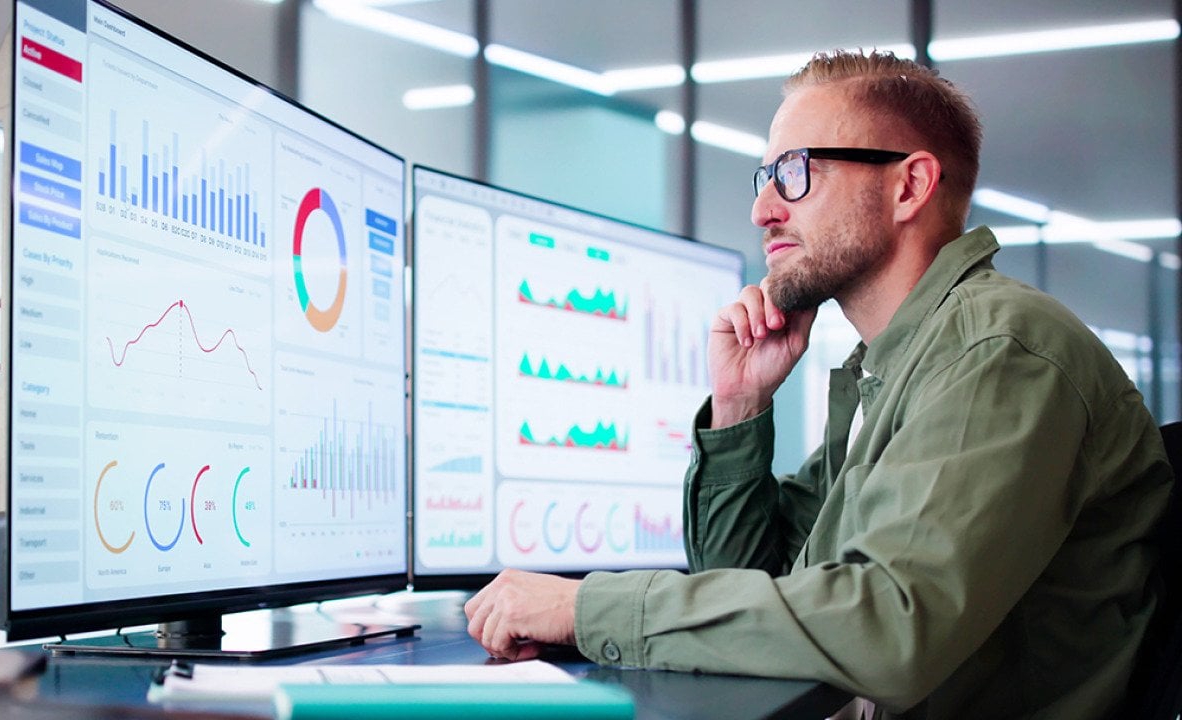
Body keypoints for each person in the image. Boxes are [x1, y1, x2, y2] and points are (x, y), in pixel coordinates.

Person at [463, 49, 1174, 719]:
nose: (763, 209)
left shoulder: (999, 354)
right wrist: (741, 408)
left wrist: (587, 610)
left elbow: (890, 626)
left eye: (797, 172)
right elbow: (760, 594)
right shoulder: (894, 370)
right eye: (765, 176)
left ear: (909, 186)